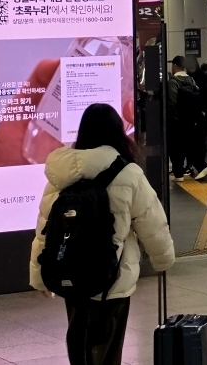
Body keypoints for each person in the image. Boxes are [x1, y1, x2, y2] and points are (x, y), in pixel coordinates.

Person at [30, 103, 175, 365]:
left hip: (71, 273)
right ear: (117, 133)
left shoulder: (60, 175)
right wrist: (163, 260)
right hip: (112, 276)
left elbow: (45, 228)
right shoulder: (128, 173)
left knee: (79, 337)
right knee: (107, 345)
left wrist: (39, 276)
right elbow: (152, 222)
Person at [168, 57, 207, 181]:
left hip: (177, 120)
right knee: (186, 145)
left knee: (176, 147)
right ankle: (184, 172)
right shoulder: (191, 79)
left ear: (175, 65)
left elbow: (172, 101)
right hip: (191, 119)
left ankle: (180, 173)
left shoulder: (173, 81)